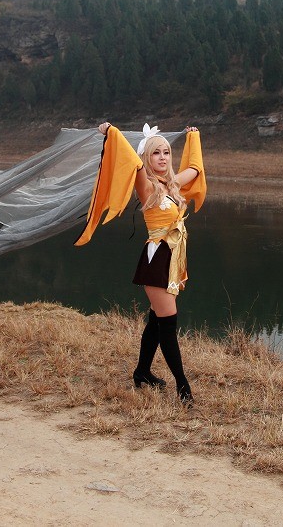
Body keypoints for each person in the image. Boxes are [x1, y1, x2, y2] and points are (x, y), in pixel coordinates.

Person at [75, 122, 206, 406]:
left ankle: (142, 372)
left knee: (157, 321)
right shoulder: (146, 186)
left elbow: (195, 170)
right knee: (168, 325)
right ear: (147, 157)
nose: (162, 157)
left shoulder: (172, 184)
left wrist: (193, 137)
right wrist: (111, 132)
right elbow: (130, 161)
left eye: (166, 152)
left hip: (172, 258)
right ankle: (183, 386)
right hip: (156, 259)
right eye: (156, 153)